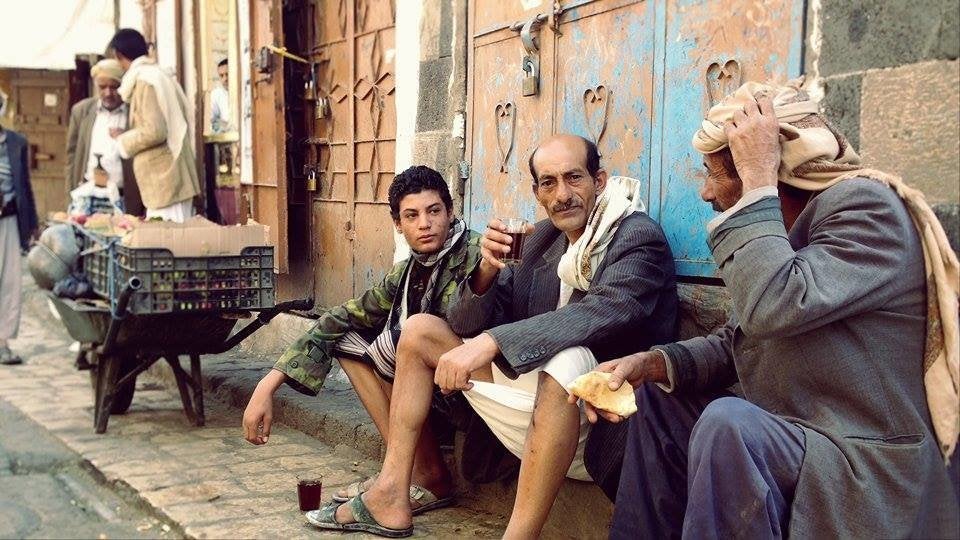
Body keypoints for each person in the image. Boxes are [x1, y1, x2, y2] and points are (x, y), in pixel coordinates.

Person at [584, 79, 959, 539]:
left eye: (715, 172)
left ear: (769, 172)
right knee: (656, 404)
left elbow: (774, 307)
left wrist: (758, 180)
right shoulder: (785, 226)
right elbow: (742, 339)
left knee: (729, 426)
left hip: (860, 461)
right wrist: (654, 363)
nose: (705, 192)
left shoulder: (867, 210)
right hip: (799, 436)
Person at [308, 134, 678, 538]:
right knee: (418, 331)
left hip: (600, 413)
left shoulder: (636, 235)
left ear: (599, 180)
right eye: (549, 183)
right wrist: (485, 270)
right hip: (532, 406)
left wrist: (491, 343)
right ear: (537, 192)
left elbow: (605, 310)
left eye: (574, 178)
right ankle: (391, 494)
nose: (562, 194)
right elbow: (465, 323)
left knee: (568, 358)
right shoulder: (540, 239)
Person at [242, 166, 482, 512]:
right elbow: (341, 317)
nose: (425, 224)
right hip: (427, 394)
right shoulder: (408, 270)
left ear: (450, 211)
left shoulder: (475, 252)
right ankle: (405, 470)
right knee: (348, 338)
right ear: (398, 225)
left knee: (394, 344)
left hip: (467, 390)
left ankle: (427, 474)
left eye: (434, 211)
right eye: (411, 216)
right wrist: (267, 385)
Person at [108, 28, 200, 222]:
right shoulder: (156, 75)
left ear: (118, 55)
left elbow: (155, 131)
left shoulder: (146, 81)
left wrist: (122, 140)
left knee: (170, 245)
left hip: (166, 181)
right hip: (169, 180)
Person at [65, 58, 144, 217]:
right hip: (88, 197)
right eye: (102, 87)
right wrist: (70, 193)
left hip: (123, 198)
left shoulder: (134, 113)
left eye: (114, 87)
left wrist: (127, 137)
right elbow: (71, 156)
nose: (108, 93)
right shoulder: (81, 111)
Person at [0, 110, 38, 365]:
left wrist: (32, 223)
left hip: (9, 220)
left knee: (10, 282)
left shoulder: (16, 142)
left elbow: (24, 184)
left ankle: (2, 343)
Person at [210, 58, 231, 134]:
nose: (225, 79)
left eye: (227, 74)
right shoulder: (216, 94)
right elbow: (210, 119)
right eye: (221, 76)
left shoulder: (244, 92)